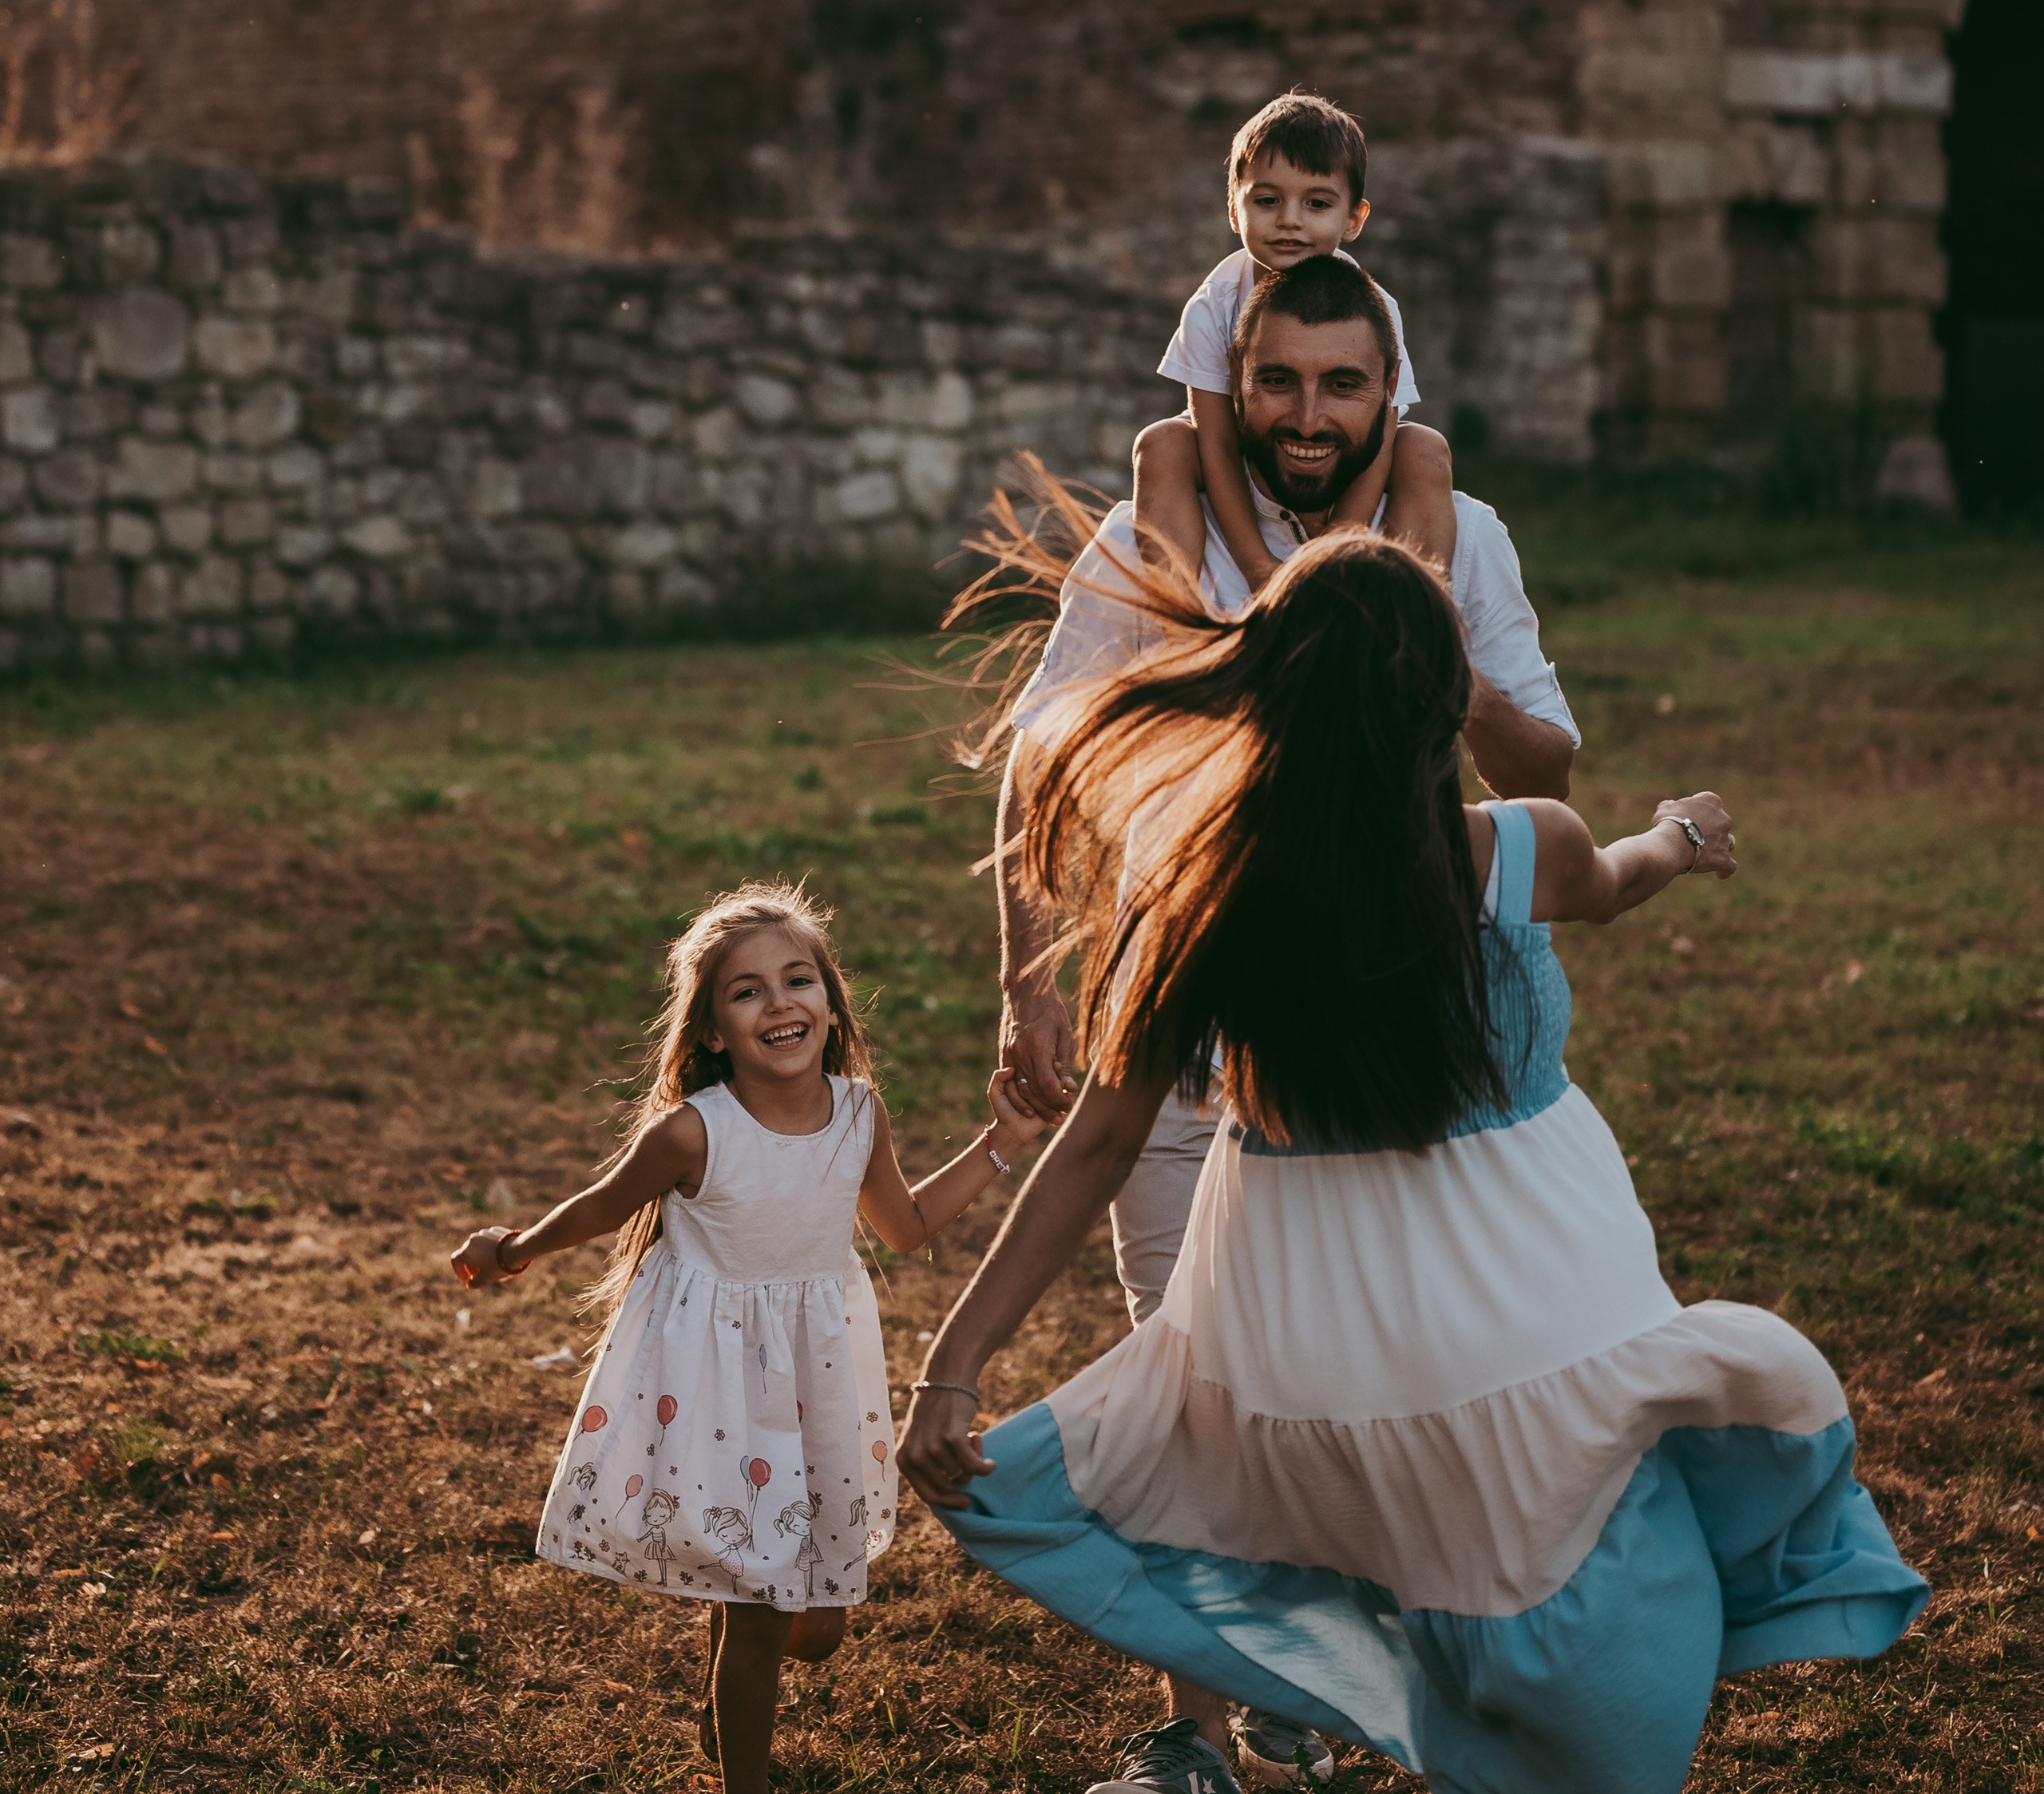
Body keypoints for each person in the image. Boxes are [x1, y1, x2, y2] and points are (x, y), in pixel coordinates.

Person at [901, 530, 1928, 1794]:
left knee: (1400, 1539)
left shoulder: (1199, 892)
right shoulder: (1516, 848)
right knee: (1589, 1530)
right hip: (1532, 1286)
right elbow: (1615, 882)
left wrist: (955, 1367)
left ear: (1263, 687)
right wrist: (1680, 830)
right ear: (1445, 703)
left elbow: (1099, 1138)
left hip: (1323, 1329)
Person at [991, 249, 1577, 1784]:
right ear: (1232, 382)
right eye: (1277, 380)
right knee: (1188, 1378)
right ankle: (1192, 1742)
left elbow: (1549, 775)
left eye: (1341, 384)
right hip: (1176, 1010)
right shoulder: (1151, 532)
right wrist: (1027, 977)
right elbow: (1044, 751)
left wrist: (1424, 651)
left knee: (1342, 1388)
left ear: (1391, 394)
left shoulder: (1464, 538)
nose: (1307, 414)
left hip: (1371, 1049)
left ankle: (1304, 1708)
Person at [448, 882, 1052, 1794]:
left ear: (831, 1005)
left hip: (819, 1375)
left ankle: (733, 1687)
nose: (779, 1003)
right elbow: (602, 1205)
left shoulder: (859, 1115)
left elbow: (908, 1226)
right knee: (766, 1612)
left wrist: (1001, 1140)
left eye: (798, 979)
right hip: (716, 1383)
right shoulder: (694, 1132)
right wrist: (513, 1248)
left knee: (817, 1626)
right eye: (747, 991)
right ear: (711, 1033)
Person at [1131, 91, 1456, 588]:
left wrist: (1332, 551)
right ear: (1235, 211)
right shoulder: (1212, 306)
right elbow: (1216, 441)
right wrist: (1259, 567)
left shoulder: (1375, 308)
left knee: (1426, 449)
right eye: (1267, 201)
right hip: (1246, 448)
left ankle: (1417, 610)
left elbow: (1381, 431)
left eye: (1317, 204)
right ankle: (1170, 613)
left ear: (1354, 219)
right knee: (1160, 444)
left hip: (1333, 449)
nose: (1289, 220)